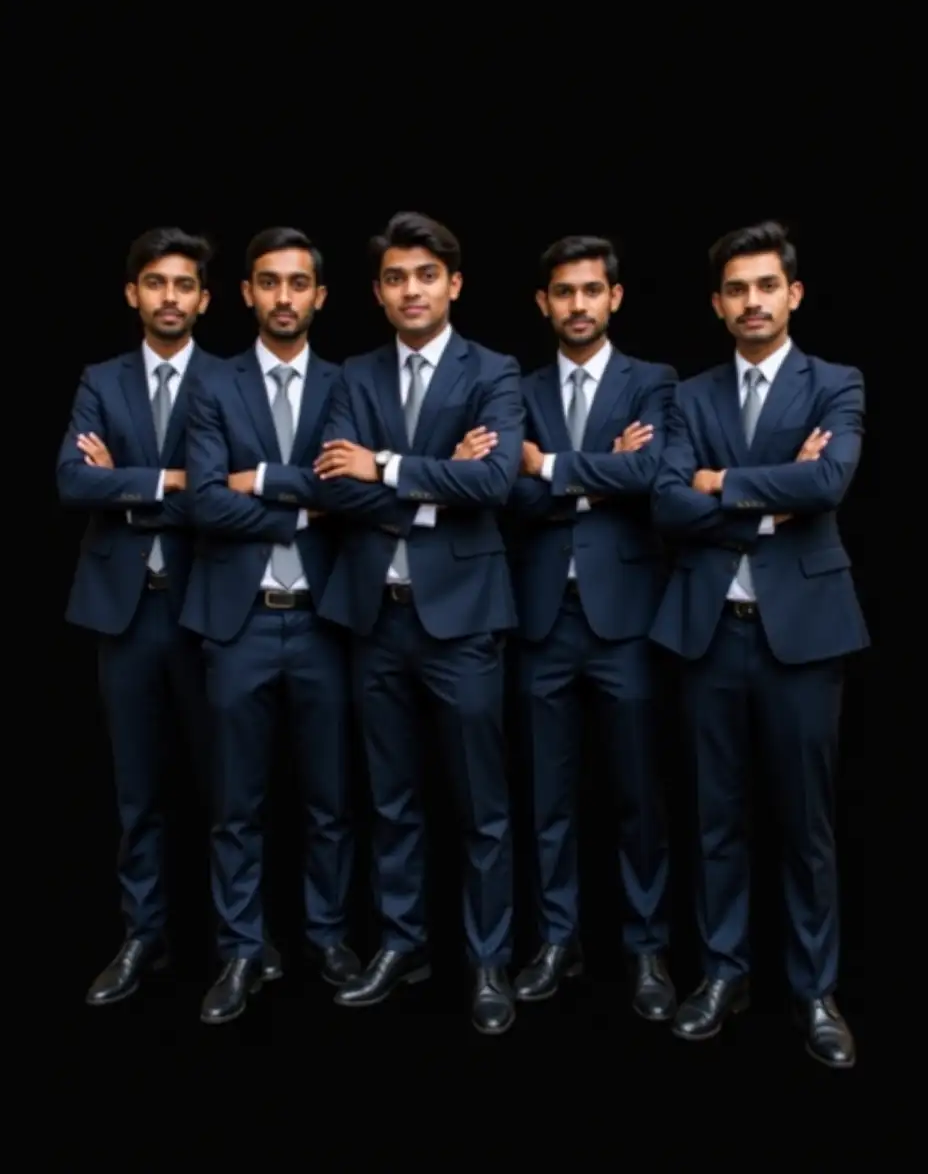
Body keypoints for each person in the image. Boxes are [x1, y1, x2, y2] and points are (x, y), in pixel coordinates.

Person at [650, 220, 868, 1069]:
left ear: (793, 294)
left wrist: (723, 483)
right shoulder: (688, 396)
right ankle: (723, 975)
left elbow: (830, 481)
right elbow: (668, 503)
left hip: (804, 639)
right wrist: (773, 498)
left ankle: (815, 991)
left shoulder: (837, 382)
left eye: (766, 286)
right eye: (736, 289)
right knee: (715, 819)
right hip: (710, 633)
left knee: (806, 825)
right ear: (716, 303)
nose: (752, 301)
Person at [312, 211, 523, 1035]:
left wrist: (390, 467)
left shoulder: (493, 369)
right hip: (376, 618)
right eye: (396, 278)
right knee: (390, 801)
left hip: (465, 621)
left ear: (454, 284)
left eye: (426, 276)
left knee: (482, 807)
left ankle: (488, 963)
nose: (411, 290)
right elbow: (333, 487)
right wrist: (440, 486)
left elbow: (499, 479)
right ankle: (402, 946)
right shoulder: (352, 376)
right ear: (378, 291)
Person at [182, 227, 358, 1024]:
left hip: (326, 620)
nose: (284, 297)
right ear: (247, 294)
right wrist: (302, 503)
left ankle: (326, 936)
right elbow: (203, 501)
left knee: (328, 796)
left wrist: (263, 482)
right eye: (268, 282)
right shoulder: (213, 385)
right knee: (236, 803)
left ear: (320, 296)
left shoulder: (349, 385)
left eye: (298, 283)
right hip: (237, 620)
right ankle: (240, 951)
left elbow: (355, 497)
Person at [56, 227, 236, 1004]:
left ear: (204, 298)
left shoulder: (229, 381)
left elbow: (224, 490)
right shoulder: (100, 378)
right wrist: (174, 481)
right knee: (138, 792)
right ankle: (143, 937)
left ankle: (234, 945)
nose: (170, 297)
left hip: (208, 604)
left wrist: (126, 482)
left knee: (228, 787)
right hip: (123, 612)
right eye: (155, 283)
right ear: (133, 293)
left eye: (184, 284)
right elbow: (70, 480)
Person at [507, 235, 677, 1018]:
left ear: (614, 298)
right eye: (562, 293)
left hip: (627, 621)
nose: (577, 305)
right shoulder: (518, 385)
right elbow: (505, 492)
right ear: (544, 303)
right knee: (549, 795)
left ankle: (647, 951)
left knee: (639, 791)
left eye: (590, 291)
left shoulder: (656, 382)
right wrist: (595, 470)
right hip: (542, 618)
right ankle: (556, 941)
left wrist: (552, 467)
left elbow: (650, 477)